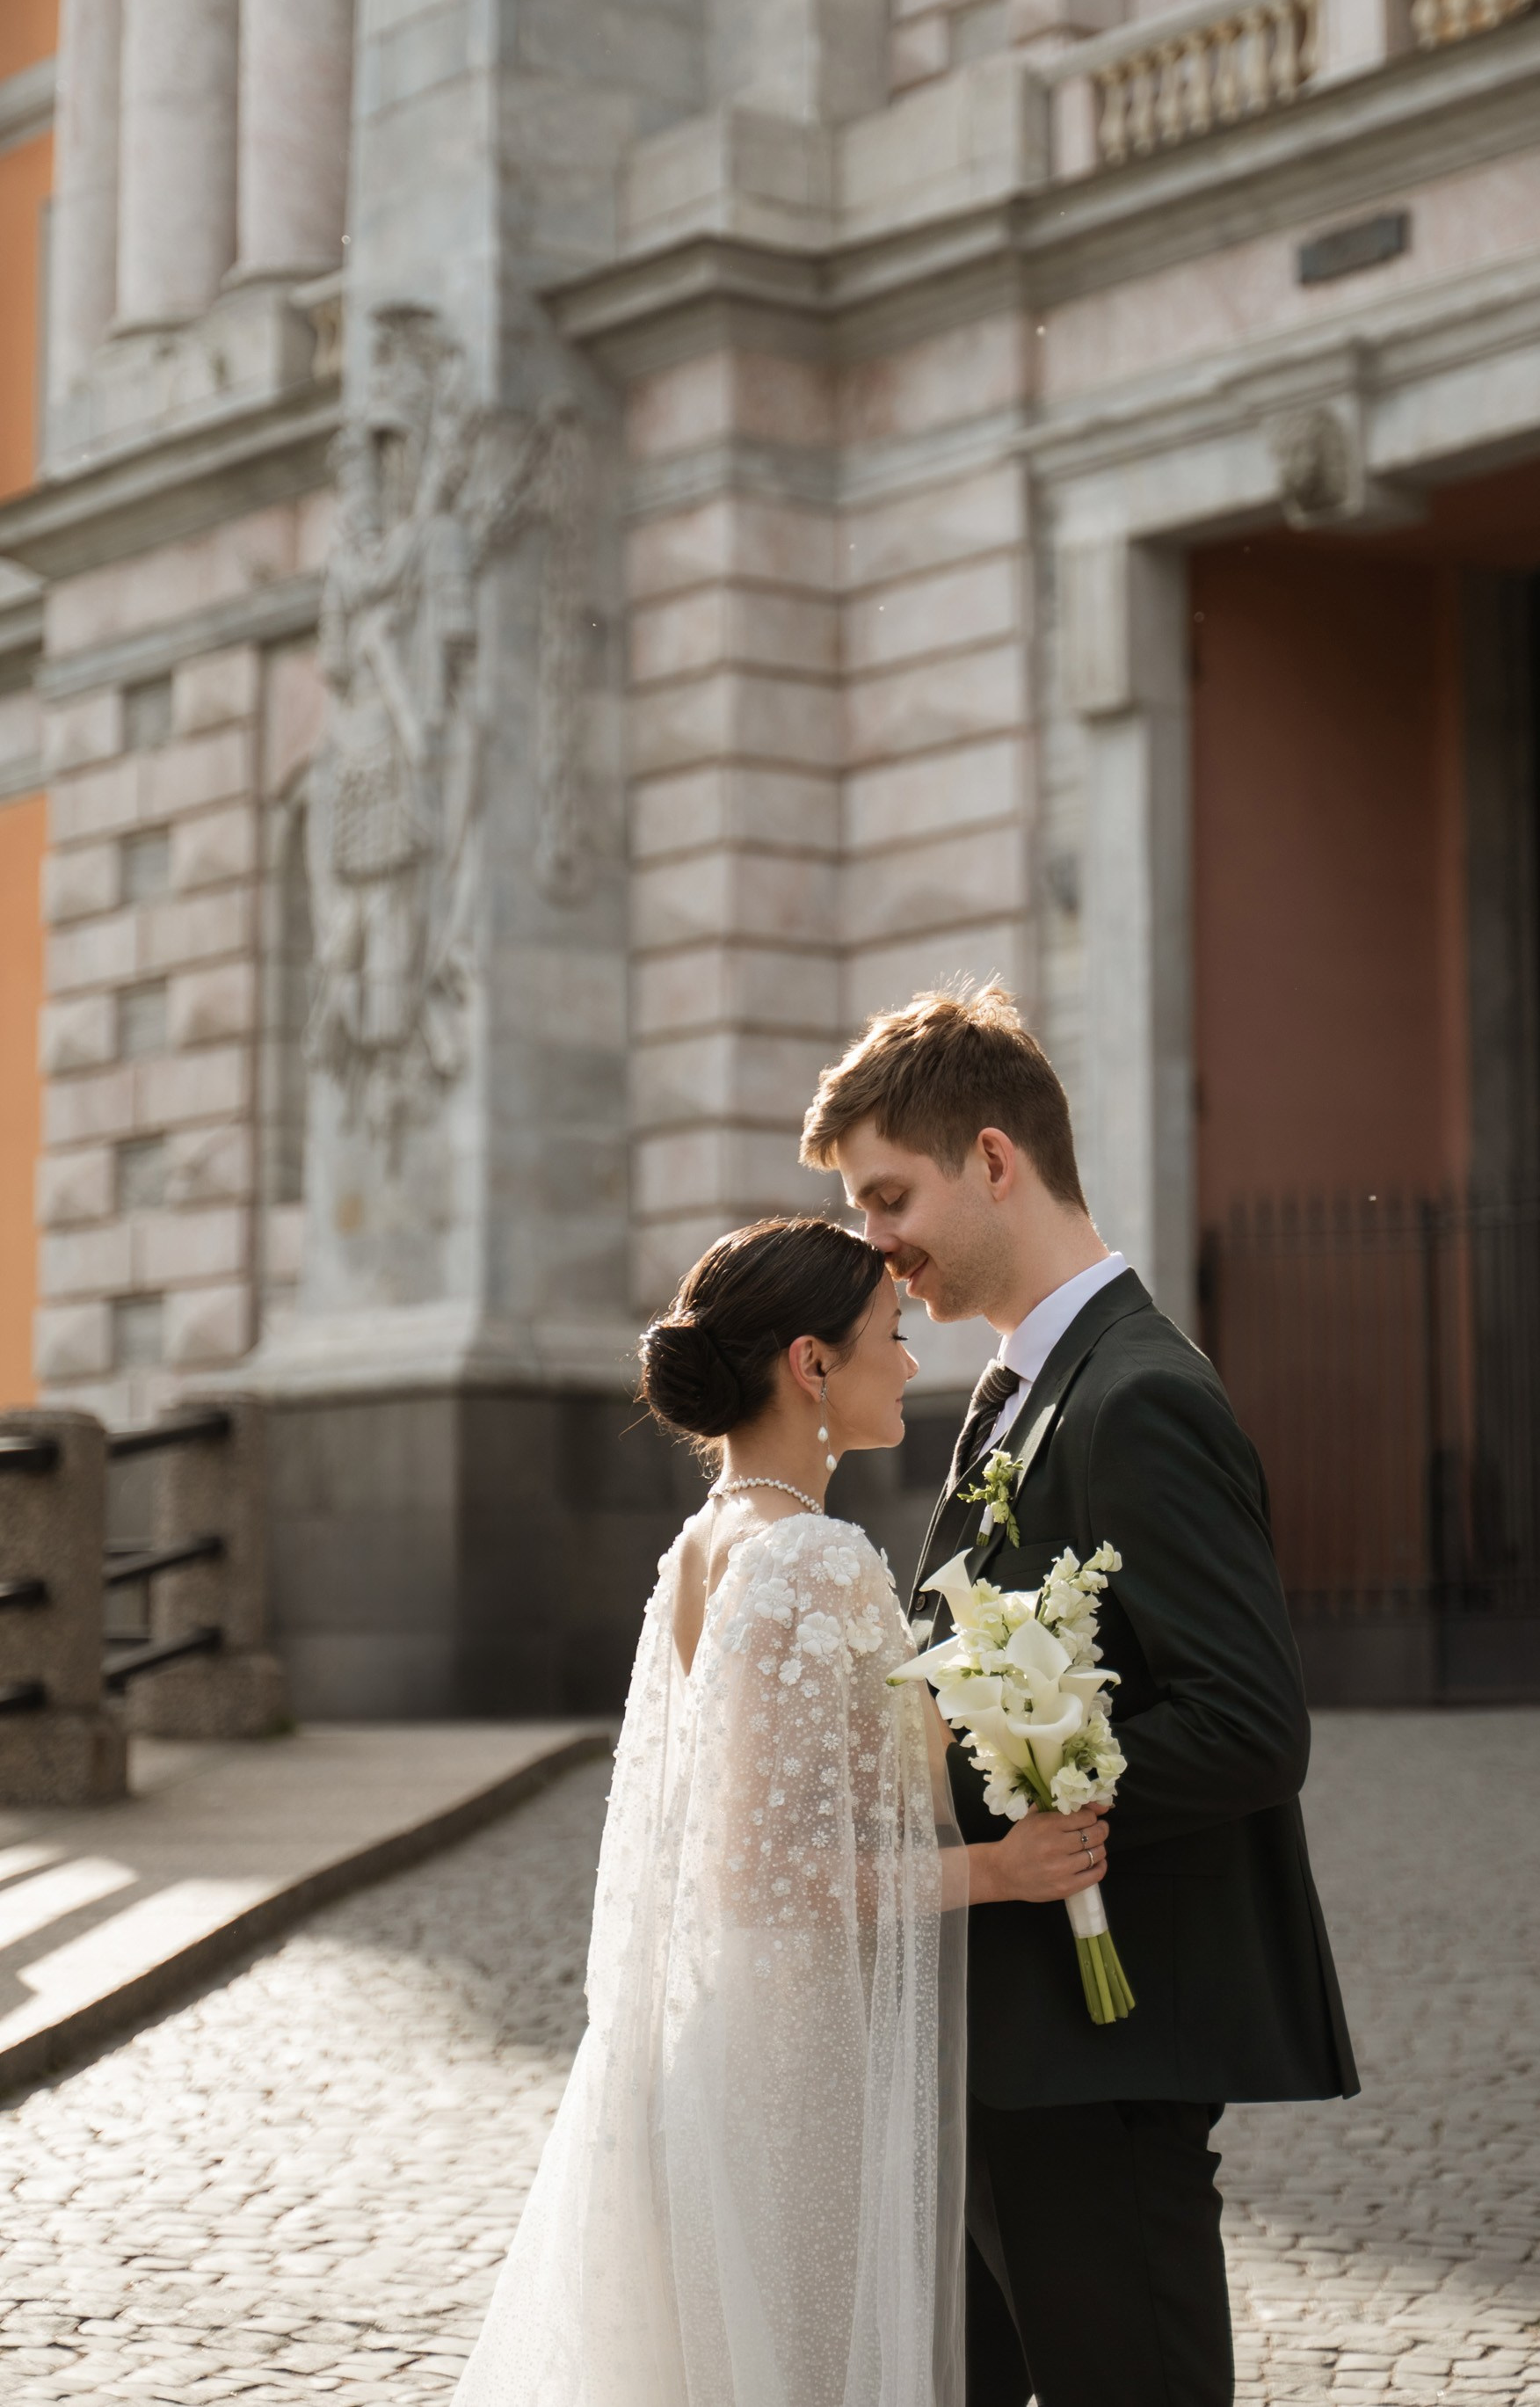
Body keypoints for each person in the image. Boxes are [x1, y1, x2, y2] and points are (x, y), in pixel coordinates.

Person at [802, 985, 1359, 2407]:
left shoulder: (1139, 1394)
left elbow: (1248, 1723)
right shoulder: (1018, 1388)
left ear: (994, 1160)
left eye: (889, 1196)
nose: (877, 1244)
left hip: (1107, 2046)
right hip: (1014, 2049)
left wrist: (1008, 1797)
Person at [451, 1215, 1100, 2407]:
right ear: (812, 1365)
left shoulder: (704, 1544)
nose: (909, 1362)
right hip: (795, 2080)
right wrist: (1001, 1871)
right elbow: (765, 1875)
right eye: (889, 1338)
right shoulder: (812, 1560)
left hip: (716, 2045)